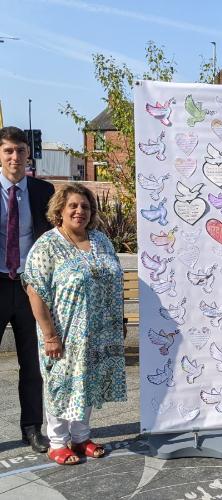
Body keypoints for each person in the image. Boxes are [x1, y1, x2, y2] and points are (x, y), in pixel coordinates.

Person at [23, 183, 127, 465]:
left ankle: (81, 438)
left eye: (85, 206)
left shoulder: (101, 241)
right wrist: (50, 335)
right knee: (60, 383)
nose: (80, 211)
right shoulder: (48, 245)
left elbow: (113, 281)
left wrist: (119, 321)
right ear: (60, 210)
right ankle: (57, 441)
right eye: (73, 206)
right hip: (63, 332)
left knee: (87, 383)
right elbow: (35, 290)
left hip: (99, 331)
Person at [0, 126, 54, 453]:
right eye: (8, 151)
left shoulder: (43, 191)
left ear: (27, 154)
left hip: (29, 287)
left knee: (32, 364)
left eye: (20, 151)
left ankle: (32, 428)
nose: (15, 157)